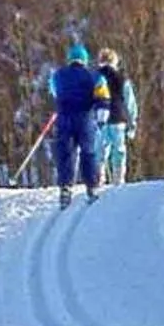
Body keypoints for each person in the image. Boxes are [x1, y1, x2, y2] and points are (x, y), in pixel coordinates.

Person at [46, 43, 107, 209]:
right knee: (88, 152)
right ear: (85, 60)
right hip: (86, 118)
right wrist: (101, 117)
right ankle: (91, 187)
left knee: (66, 153)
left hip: (64, 118)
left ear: (70, 59)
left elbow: (54, 92)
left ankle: (65, 188)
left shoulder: (58, 75)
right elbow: (103, 97)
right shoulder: (94, 76)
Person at [94, 47, 139, 188]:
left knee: (100, 151)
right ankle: (118, 179)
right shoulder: (122, 78)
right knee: (119, 150)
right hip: (118, 118)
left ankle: (98, 179)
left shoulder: (94, 78)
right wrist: (132, 122)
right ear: (115, 61)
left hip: (100, 119)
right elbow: (130, 102)